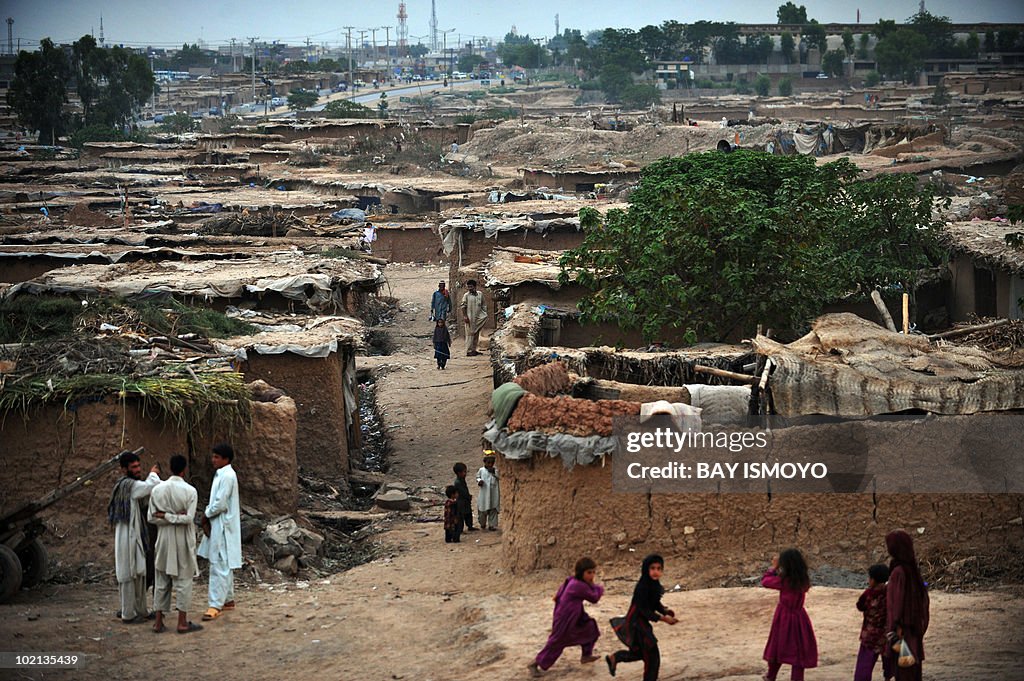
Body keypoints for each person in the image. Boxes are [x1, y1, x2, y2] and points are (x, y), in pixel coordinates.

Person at [148, 454, 202, 634]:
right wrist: (176, 517)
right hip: (182, 541)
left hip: (163, 539)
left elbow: (151, 518)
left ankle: (158, 622)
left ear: (170, 468)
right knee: (183, 581)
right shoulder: (190, 491)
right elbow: (188, 518)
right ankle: (182, 622)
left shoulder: (157, 490)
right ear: (184, 469)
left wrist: (165, 516)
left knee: (161, 580)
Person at [108, 450, 161, 624]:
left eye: (139, 466)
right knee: (129, 575)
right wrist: (153, 474)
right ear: (124, 469)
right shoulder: (129, 486)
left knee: (139, 573)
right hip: (127, 537)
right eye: (134, 467)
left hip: (134, 535)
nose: (138, 469)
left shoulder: (129, 485)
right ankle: (128, 614)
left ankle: (141, 611)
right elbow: (149, 487)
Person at [606, 554, 677, 680]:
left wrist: (665, 611)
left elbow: (654, 603)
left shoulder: (653, 585)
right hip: (637, 624)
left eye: (659, 569)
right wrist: (664, 619)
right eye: (652, 568)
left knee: (640, 653)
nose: (656, 572)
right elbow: (644, 610)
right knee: (652, 656)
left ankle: (615, 658)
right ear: (646, 569)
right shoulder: (642, 587)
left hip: (640, 623)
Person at [529, 557, 604, 676]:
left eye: (593, 572)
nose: (592, 575)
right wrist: (599, 588)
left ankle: (586, 655)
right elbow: (594, 598)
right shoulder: (578, 585)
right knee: (557, 642)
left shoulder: (573, 580)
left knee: (590, 627)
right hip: (565, 618)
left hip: (574, 615)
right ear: (581, 572)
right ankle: (534, 663)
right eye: (589, 572)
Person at [198, 443, 241, 622]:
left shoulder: (227, 476)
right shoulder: (222, 474)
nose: (213, 460)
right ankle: (228, 599)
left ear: (226, 459)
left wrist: (206, 514)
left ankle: (215, 604)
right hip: (220, 525)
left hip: (223, 526)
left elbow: (220, 504)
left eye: (217, 457)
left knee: (219, 564)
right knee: (224, 563)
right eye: (213, 456)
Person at [761, 549, 818, 681]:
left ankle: (771, 675)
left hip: (784, 617)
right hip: (799, 618)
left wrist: (773, 568)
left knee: (776, 646)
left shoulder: (784, 581)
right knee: (799, 651)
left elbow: (765, 581)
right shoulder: (803, 580)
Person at [885, 531, 929, 681]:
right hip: (913, 630)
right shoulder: (912, 571)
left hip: (902, 632)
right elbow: (924, 602)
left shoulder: (898, 572)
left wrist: (894, 627)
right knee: (912, 669)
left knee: (904, 670)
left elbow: (895, 604)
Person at [855, 564, 893, 681]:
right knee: (888, 660)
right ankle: (888, 677)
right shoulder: (890, 593)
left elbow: (860, 606)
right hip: (886, 635)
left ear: (873, 580)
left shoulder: (869, 594)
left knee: (864, 666)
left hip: (870, 636)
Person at [460, 279, 487, 356]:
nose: (469, 288)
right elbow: (463, 306)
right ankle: (469, 351)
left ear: (475, 286)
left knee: (476, 334)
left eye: (471, 287)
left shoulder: (480, 294)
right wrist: (465, 316)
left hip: (477, 318)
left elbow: (483, 305)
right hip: (469, 318)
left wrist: (484, 313)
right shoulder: (466, 295)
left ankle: (474, 350)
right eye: (468, 287)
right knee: (469, 334)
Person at [475, 454, 500, 531]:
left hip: (494, 494)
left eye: (492, 463)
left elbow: (500, 477)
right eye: (488, 463)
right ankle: (482, 524)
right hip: (484, 495)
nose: (490, 464)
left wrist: (494, 473)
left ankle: (492, 525)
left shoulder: (496, 471)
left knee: (493, 509)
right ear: (484, 462)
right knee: (482, 510)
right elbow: (477, 477)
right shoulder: (481, 470)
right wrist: (479, 481)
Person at [452, 462, 474, 532]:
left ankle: (470, 526)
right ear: (459, 473)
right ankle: (460, 529)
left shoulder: (461, 480)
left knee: (468, 514)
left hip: (465, 501)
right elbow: (463, 492)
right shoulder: (458, 482)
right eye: (464, 472)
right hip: (461, 501)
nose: (465, 473)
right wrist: (468, 496)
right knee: (461, 516)